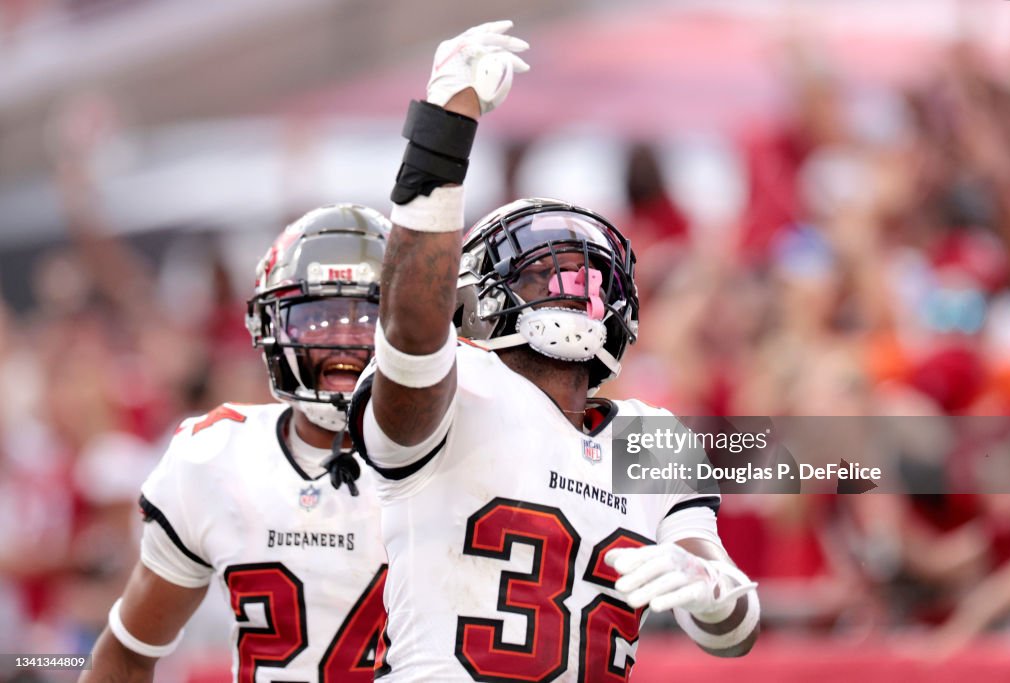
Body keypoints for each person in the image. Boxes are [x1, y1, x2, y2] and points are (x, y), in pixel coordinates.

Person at [349, 21, 760, 680]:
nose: (570, 287)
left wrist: (707, 583)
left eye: (585, 274)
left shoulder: (648, 434)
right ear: (476, 296)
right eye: (540, 272)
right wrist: (442, 137)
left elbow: (734, 630)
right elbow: (411, 330)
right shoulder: (461, 385)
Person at [81, 204, 391, 682]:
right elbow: (126, 655)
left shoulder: (458, 452)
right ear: (269, 327)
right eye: (317, 318)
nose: (344, 340)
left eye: (367, 317)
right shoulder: (214, 459)